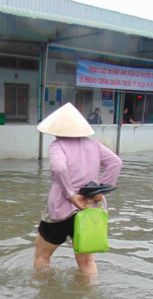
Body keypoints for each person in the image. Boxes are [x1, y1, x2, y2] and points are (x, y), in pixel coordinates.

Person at [33, 103, 122, 274]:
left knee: (42, 256)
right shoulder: (95, 145)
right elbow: (115, 163)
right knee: (87, 262)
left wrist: (71, 196)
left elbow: (59, 168)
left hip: (60, 211)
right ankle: (90, 298)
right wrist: (99, 192)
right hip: (89, 208)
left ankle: (42, 295)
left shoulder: (57, 146)